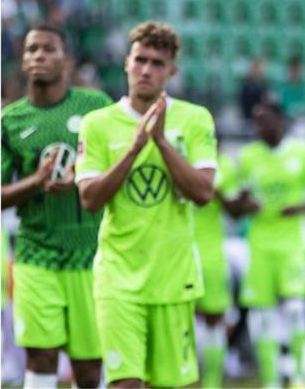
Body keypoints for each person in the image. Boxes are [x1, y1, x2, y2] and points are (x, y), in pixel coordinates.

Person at [75, 21, 217, 388]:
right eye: (140, 59)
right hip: (118, 278)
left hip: (173, 279)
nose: (146, 70)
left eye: (157, 63)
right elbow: (89, 199)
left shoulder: (194, 119)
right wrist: (136, 147)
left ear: (172, 71)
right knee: (125, 383)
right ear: (126, 63)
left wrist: (162, 144)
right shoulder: (98, 124)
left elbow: (203, 193)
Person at [1, 25, 112, 389]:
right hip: (36, 255)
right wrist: (36, 181)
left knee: (88, 368)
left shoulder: (95, 107)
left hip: (88, 255)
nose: (38, 57)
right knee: (41, 355)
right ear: (22, 60)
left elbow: (123, 161)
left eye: (48, 49)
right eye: (31, 50)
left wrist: (81, 175)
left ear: (66, 59)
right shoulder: (9, 121)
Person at [232, 101, 305, 388]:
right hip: (259, 244)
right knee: (261, 314)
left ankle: (298, 375)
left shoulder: (304, 153)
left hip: (292, 243)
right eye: (256, 121)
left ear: (280, 121)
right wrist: (246, 205)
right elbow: (237, 203)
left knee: (295, 307)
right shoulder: (248, 156)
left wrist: (299, 208)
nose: (260, 127)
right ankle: (271, 379)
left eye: (265, 120)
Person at [192, 138, 240, 388]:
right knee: (175, 317)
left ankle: (212, 383)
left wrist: (210, 188)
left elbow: (234, 209)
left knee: (214, 318)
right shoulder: (179, 161)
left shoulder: (225, 167)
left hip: (211, 250)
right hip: (178, 250)